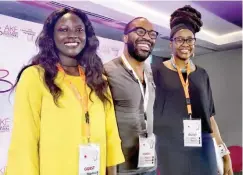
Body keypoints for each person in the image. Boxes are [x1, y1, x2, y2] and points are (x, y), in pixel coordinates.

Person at [5, 7, 124, 175]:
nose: (72, 35)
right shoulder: (35, 77)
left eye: (79, 30)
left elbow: (111, 135)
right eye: (63, 29)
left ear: (87, 36)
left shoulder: (98, 80)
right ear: (51, 37)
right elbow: (24, 140)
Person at [152, 5, 233, 175]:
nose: (185, 44)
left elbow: (210, 118)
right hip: (170, 146)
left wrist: (224, 152)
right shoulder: (156, 71)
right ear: (171, 43)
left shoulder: (202, 74)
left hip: (202, 143)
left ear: (194, 43)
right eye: (179, 39)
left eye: (190, 40)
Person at [104, 17, 158, 175]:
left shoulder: (150, 72)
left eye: (152, 34)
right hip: (122, 168)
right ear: (125, 37)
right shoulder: (107, 71)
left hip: (149, 165)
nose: (147, 37)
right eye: (140, 31)